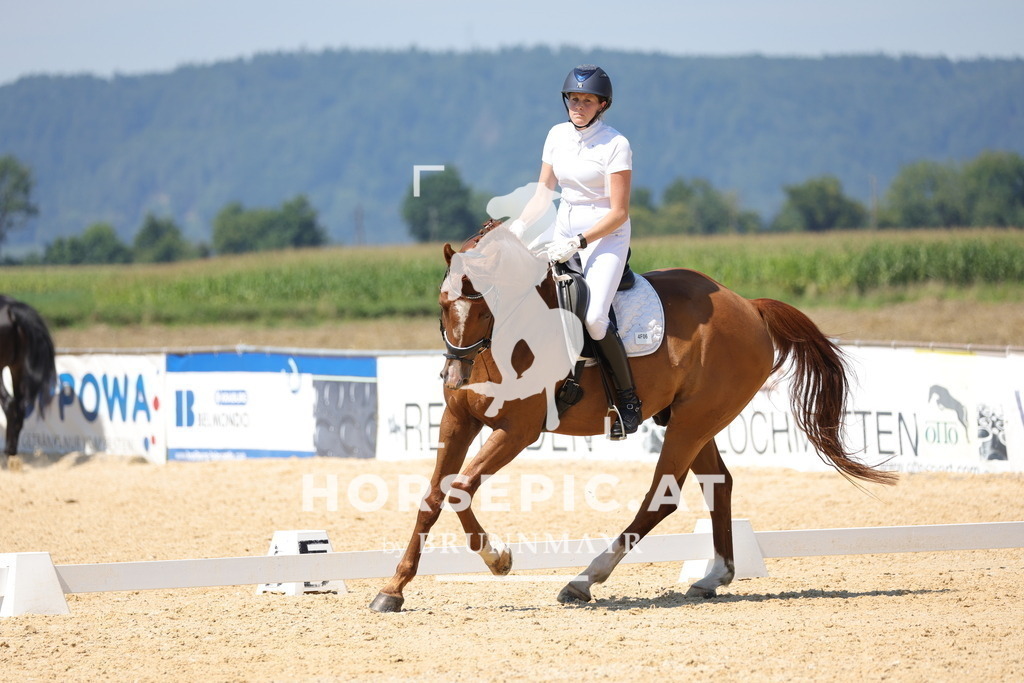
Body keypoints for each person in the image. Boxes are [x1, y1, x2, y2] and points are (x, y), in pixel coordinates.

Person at [507, 64, 642, 438]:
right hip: (563, 227)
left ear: (602, 105)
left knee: (595, 318)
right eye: (573, 99)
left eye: (587, 101)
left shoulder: (615, 145)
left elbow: (619, 212)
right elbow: (543, 194)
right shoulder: (556, 135)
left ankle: (628, 400)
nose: (578, 106)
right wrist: (519, 228)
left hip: (605, 235)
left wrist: (579, 242)